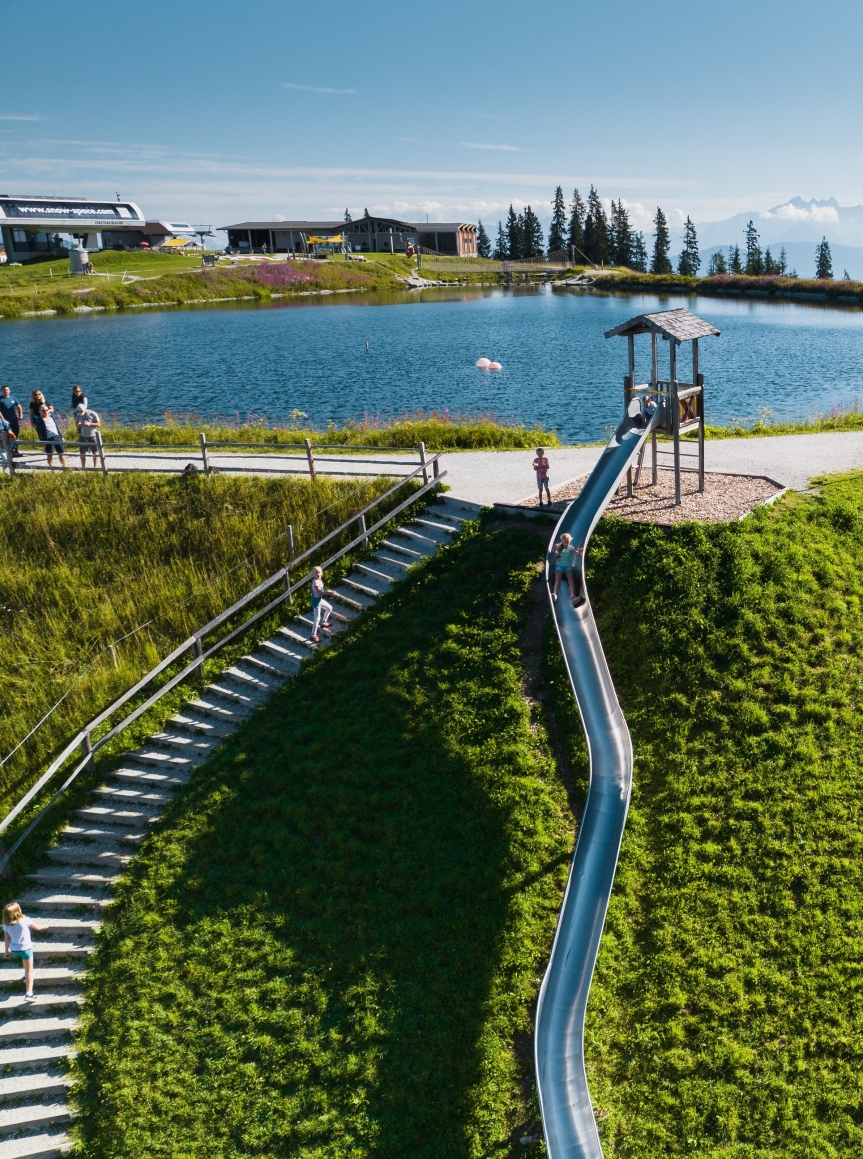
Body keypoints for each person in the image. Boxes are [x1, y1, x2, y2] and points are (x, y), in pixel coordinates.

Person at [3, 901, 46, 1001]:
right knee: (30, 971)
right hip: (25, 949)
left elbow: (6, 939)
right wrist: (44, 926)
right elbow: (37, 927)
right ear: (18, 911)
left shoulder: (6, 926)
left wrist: (6, 951)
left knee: (25, 962)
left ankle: (25, 974)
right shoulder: (25, 920)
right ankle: (29, 994)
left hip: (14, 950)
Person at [552, 532, 585, 607]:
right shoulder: (559, 546)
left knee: (571, 580)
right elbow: (554, 552)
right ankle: (555, 595)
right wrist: (554, 548)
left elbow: (577, 553)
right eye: (564, 542)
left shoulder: (571, 547)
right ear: (562, 541)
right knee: (557, 580)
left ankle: (573, 597)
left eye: (567, 542)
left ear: (569, 542)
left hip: (567, 567)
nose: (566, 544)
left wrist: (580, 552)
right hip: (559, 566)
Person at [34, 404, 66, 468]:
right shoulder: (39, 420)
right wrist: (42, 441)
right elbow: (39, 432)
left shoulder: (52, 417)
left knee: (61, 453)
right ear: (40, 411)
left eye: (46, 410)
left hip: (57, 437)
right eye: (43, 411)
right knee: (50, 454)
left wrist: (61, 436)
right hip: (48, 438)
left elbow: (56, 427)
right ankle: (51, 467)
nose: (45, 412)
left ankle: (64, 466)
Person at [309, 566, 333, 643]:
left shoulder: (319, 580)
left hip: (319, 600)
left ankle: (324, 622)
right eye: (316, 573)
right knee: (317, 618)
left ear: (321, 573)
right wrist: (330, 593)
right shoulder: (315, 582)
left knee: (329, 608)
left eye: (319, 572)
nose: (318, 574)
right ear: (313, 574)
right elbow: (320, 592)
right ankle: (313, 635)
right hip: (316, 601)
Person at [75, 403, 101, 469]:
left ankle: (95, 466)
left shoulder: (93, 414)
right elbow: (77, 424)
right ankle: (83, 466)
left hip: (92, 435)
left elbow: (98, 424)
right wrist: (79, 425)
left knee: (95, 452)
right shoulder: (78, 415)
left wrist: (90, 424)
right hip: (83, 435)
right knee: (82, 452)